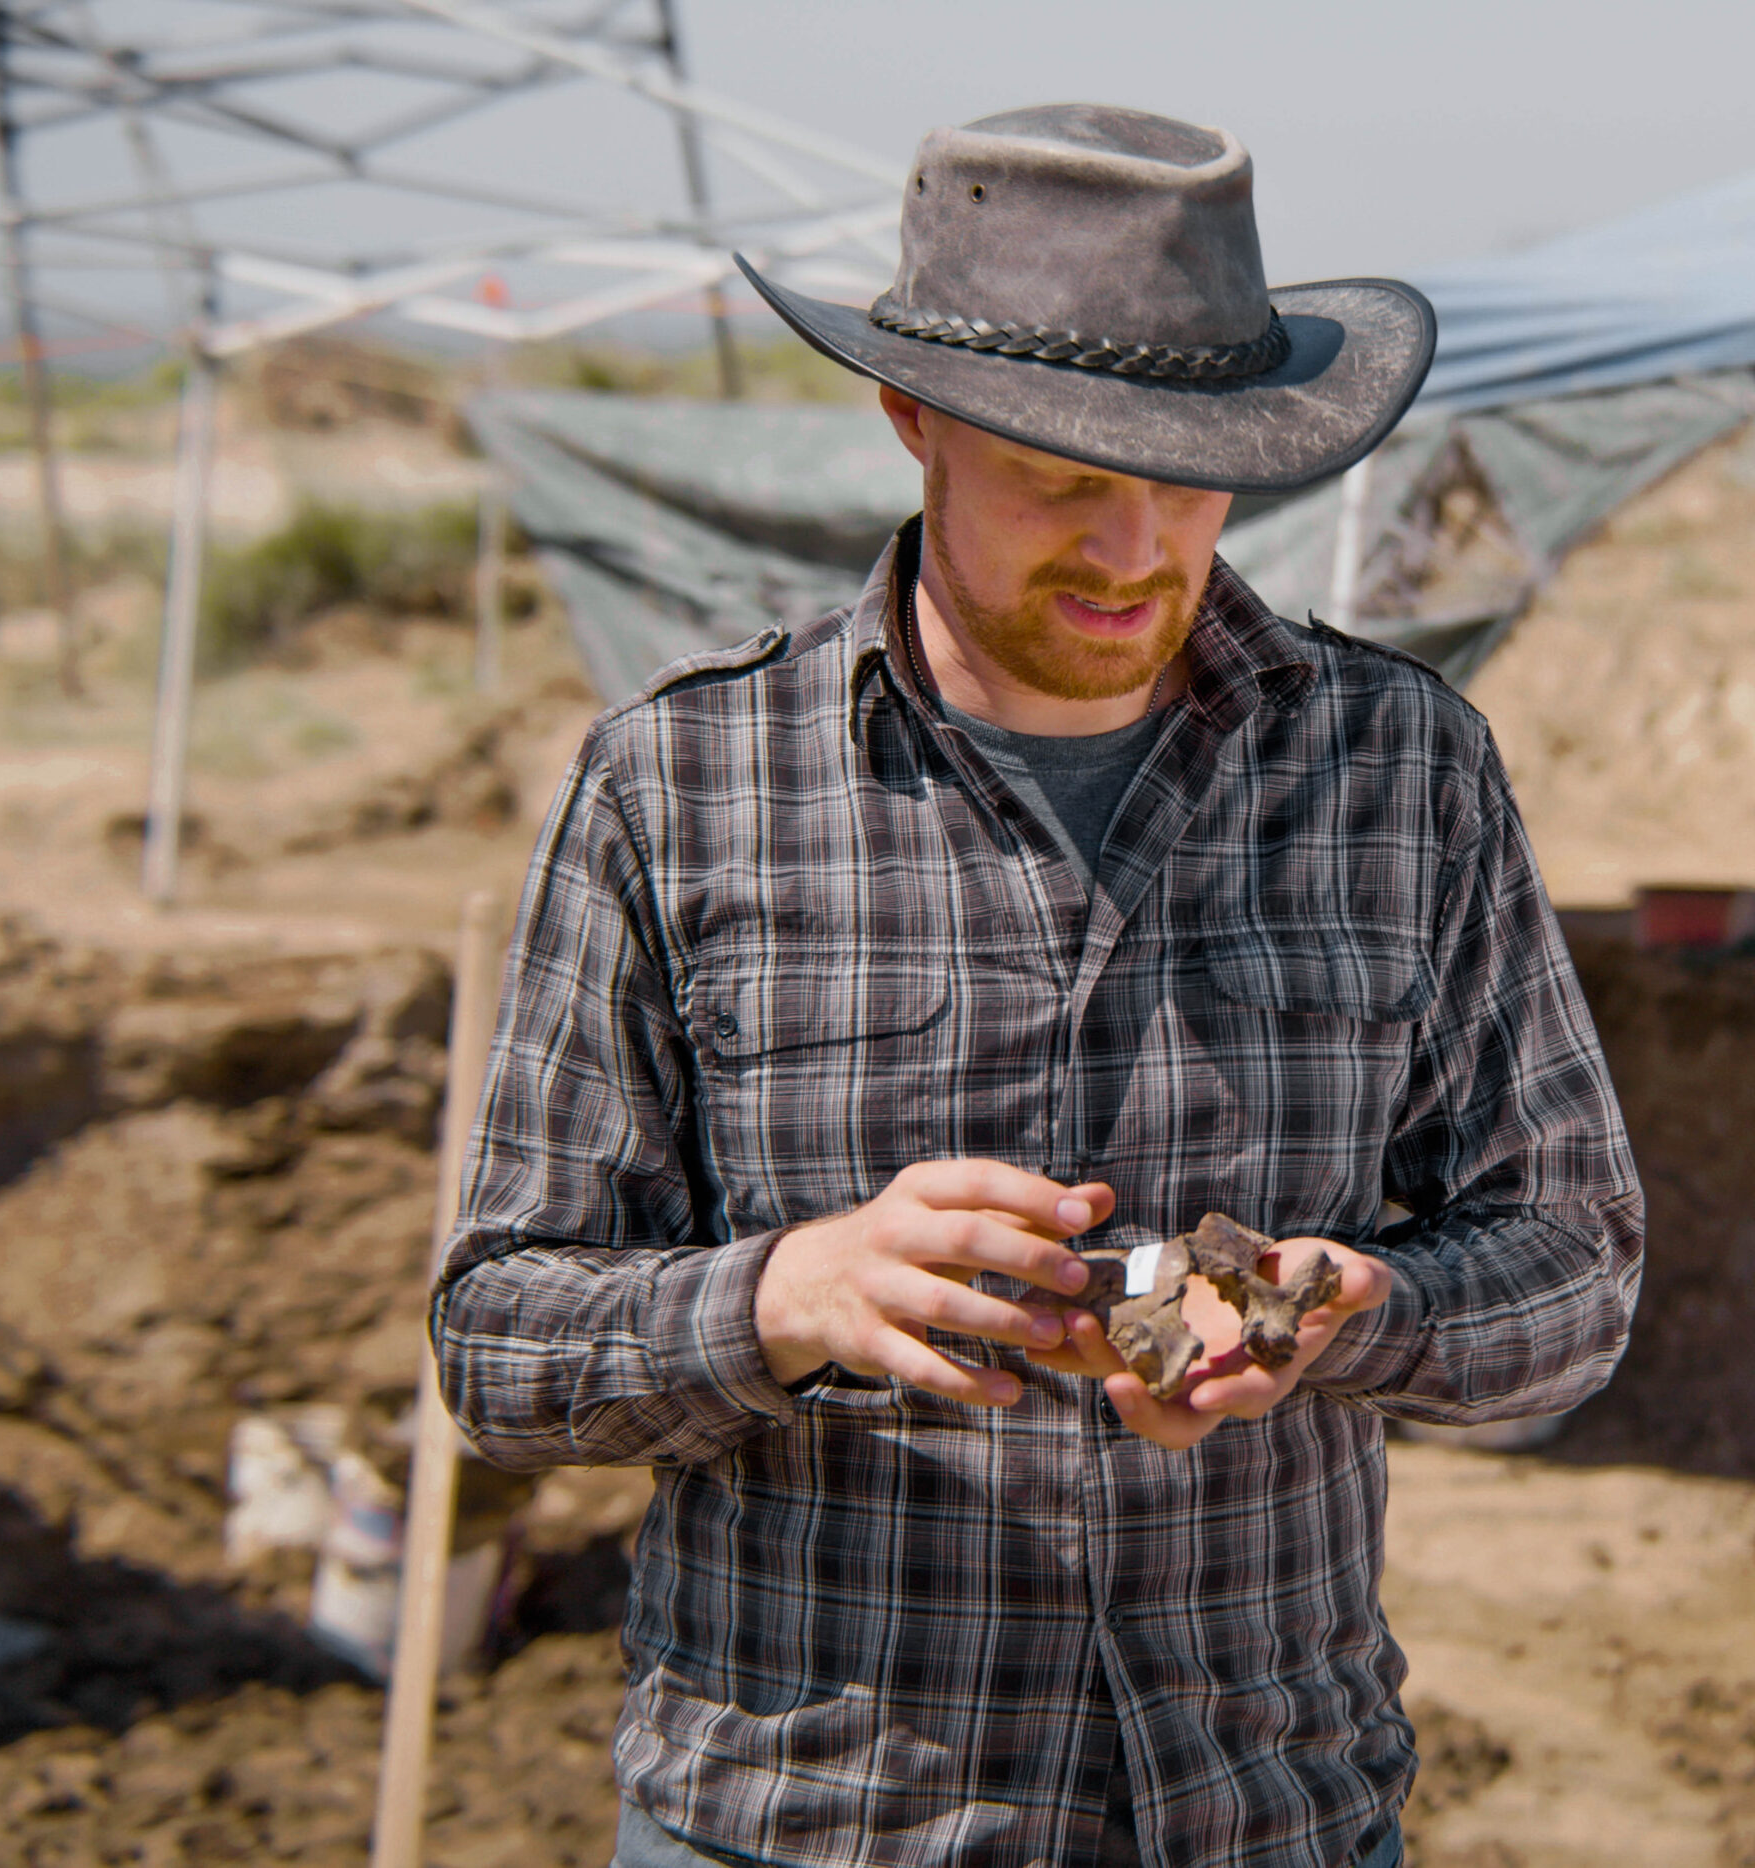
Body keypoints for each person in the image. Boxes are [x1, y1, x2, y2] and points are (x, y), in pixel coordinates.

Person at [434, 104, 1645, 1868]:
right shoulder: (679, 786)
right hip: (813, 1824)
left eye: (1189, 477)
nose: (1140, 547)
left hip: (1265, 1812)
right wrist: (785, 1294)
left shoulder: (1406, 771)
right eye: (1068, 478)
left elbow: (1578, 1267)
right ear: (913, 418)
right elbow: (497, 1339)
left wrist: (1346, 1307)